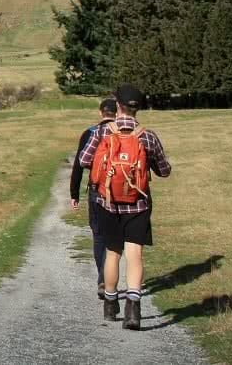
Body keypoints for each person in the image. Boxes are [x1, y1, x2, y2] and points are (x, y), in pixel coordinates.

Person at [78, 84, 171, 330]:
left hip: (106, 203)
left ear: (117, 105)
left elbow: (84, 160)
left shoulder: (102, 133)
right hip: (138, 204)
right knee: (135, 254)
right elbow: (164, 171)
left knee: (112, 252)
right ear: (137, 108)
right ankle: (133, 309)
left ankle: (110, 305)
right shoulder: (147, 136)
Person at [71, 97, 118, 308]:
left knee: (98, 236)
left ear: (101, 112)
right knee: (116, 238)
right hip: (121, 192)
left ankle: (103, 280)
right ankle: (111, 279)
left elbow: (79, 165)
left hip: (97, 190)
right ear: (117, 113)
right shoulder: (125, 132)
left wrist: (74, 193)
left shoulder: (91, 132)